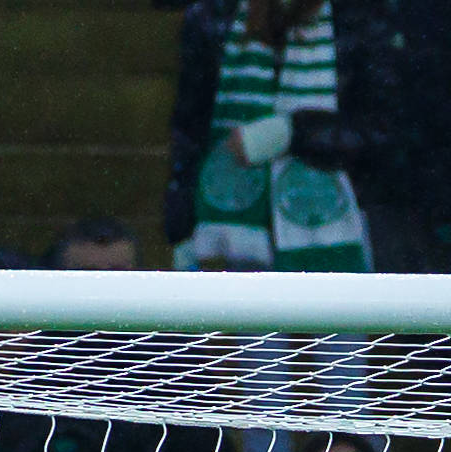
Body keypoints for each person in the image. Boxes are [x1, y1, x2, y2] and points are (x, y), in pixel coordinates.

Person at [165, 0, 420, 273]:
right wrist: (182, 229)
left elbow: (384, 129)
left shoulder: (361, 18)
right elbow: (190, 128)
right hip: (225, 226)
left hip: (340, 221)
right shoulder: (213, 16)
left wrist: (293, 132)